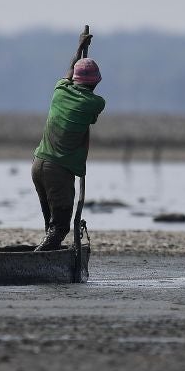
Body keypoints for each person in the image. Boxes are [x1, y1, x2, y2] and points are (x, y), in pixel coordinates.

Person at [31, 29, 105, 251]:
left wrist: (79, 47)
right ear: (95, 83)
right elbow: (90, 114)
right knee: (60, 228)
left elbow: (69, 72)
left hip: (38, 165)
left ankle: (46, 256)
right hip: (58, 170)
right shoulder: (95, 103)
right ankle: (39, 259)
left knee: (51, 226)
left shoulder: (60, 90)